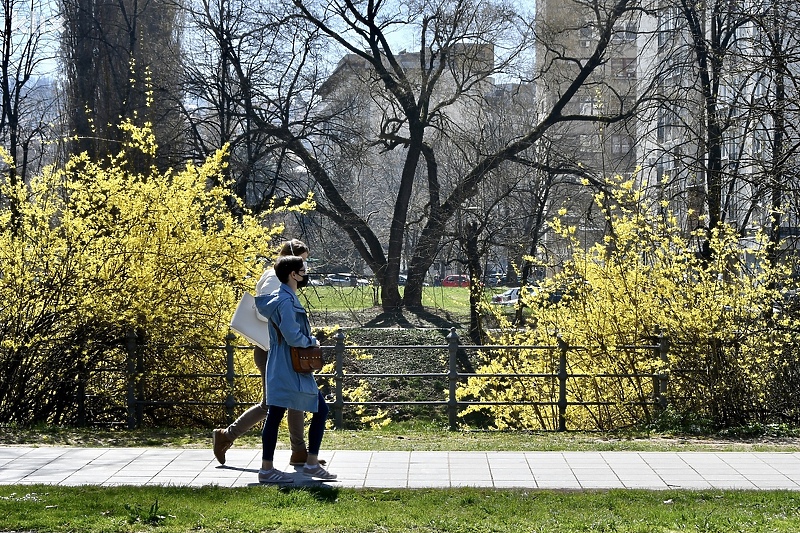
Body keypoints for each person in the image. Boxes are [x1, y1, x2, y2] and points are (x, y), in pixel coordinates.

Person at [212, 239, 323, 467]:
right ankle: (228, 436)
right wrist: (299, 336)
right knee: (274, 404)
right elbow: (271, 314)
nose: (304, 268)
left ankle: (298, 451)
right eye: (302, 261)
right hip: (274, 351)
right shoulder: (274, 280)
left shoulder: (275, 278)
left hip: (281, 350)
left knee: (290, 401)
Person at [254, 255, 336, 483]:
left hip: (282, 365)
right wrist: (311, 341)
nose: (306, 273)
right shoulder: (286, 301)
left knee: (277, 414)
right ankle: (293, 465)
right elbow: (292, 335)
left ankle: (273, 467)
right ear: (293, 274)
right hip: (290, 366)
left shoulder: (280, 297)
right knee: (319, 410)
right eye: (303, 269)